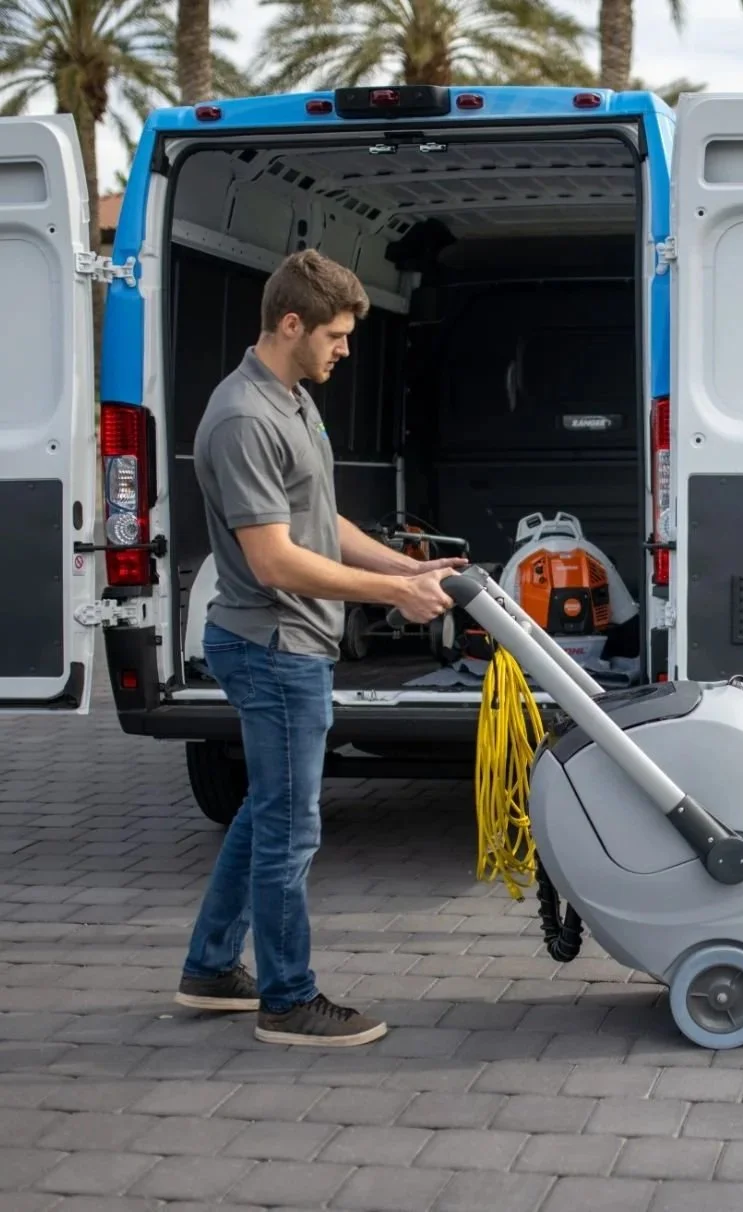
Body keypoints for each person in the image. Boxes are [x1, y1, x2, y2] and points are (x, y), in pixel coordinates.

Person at [174, 249, 464, 1046]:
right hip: (270, 648)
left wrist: (410, 566)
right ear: (291, 324)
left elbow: (319, 522)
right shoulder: (243, 419)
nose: (344, 349)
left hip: (287, 643)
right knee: (292, 829)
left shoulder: (293, 399)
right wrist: (396, 596)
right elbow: (274, 559)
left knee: (267, 813)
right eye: (335, 335)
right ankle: (288, 1000)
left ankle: (208, 968)